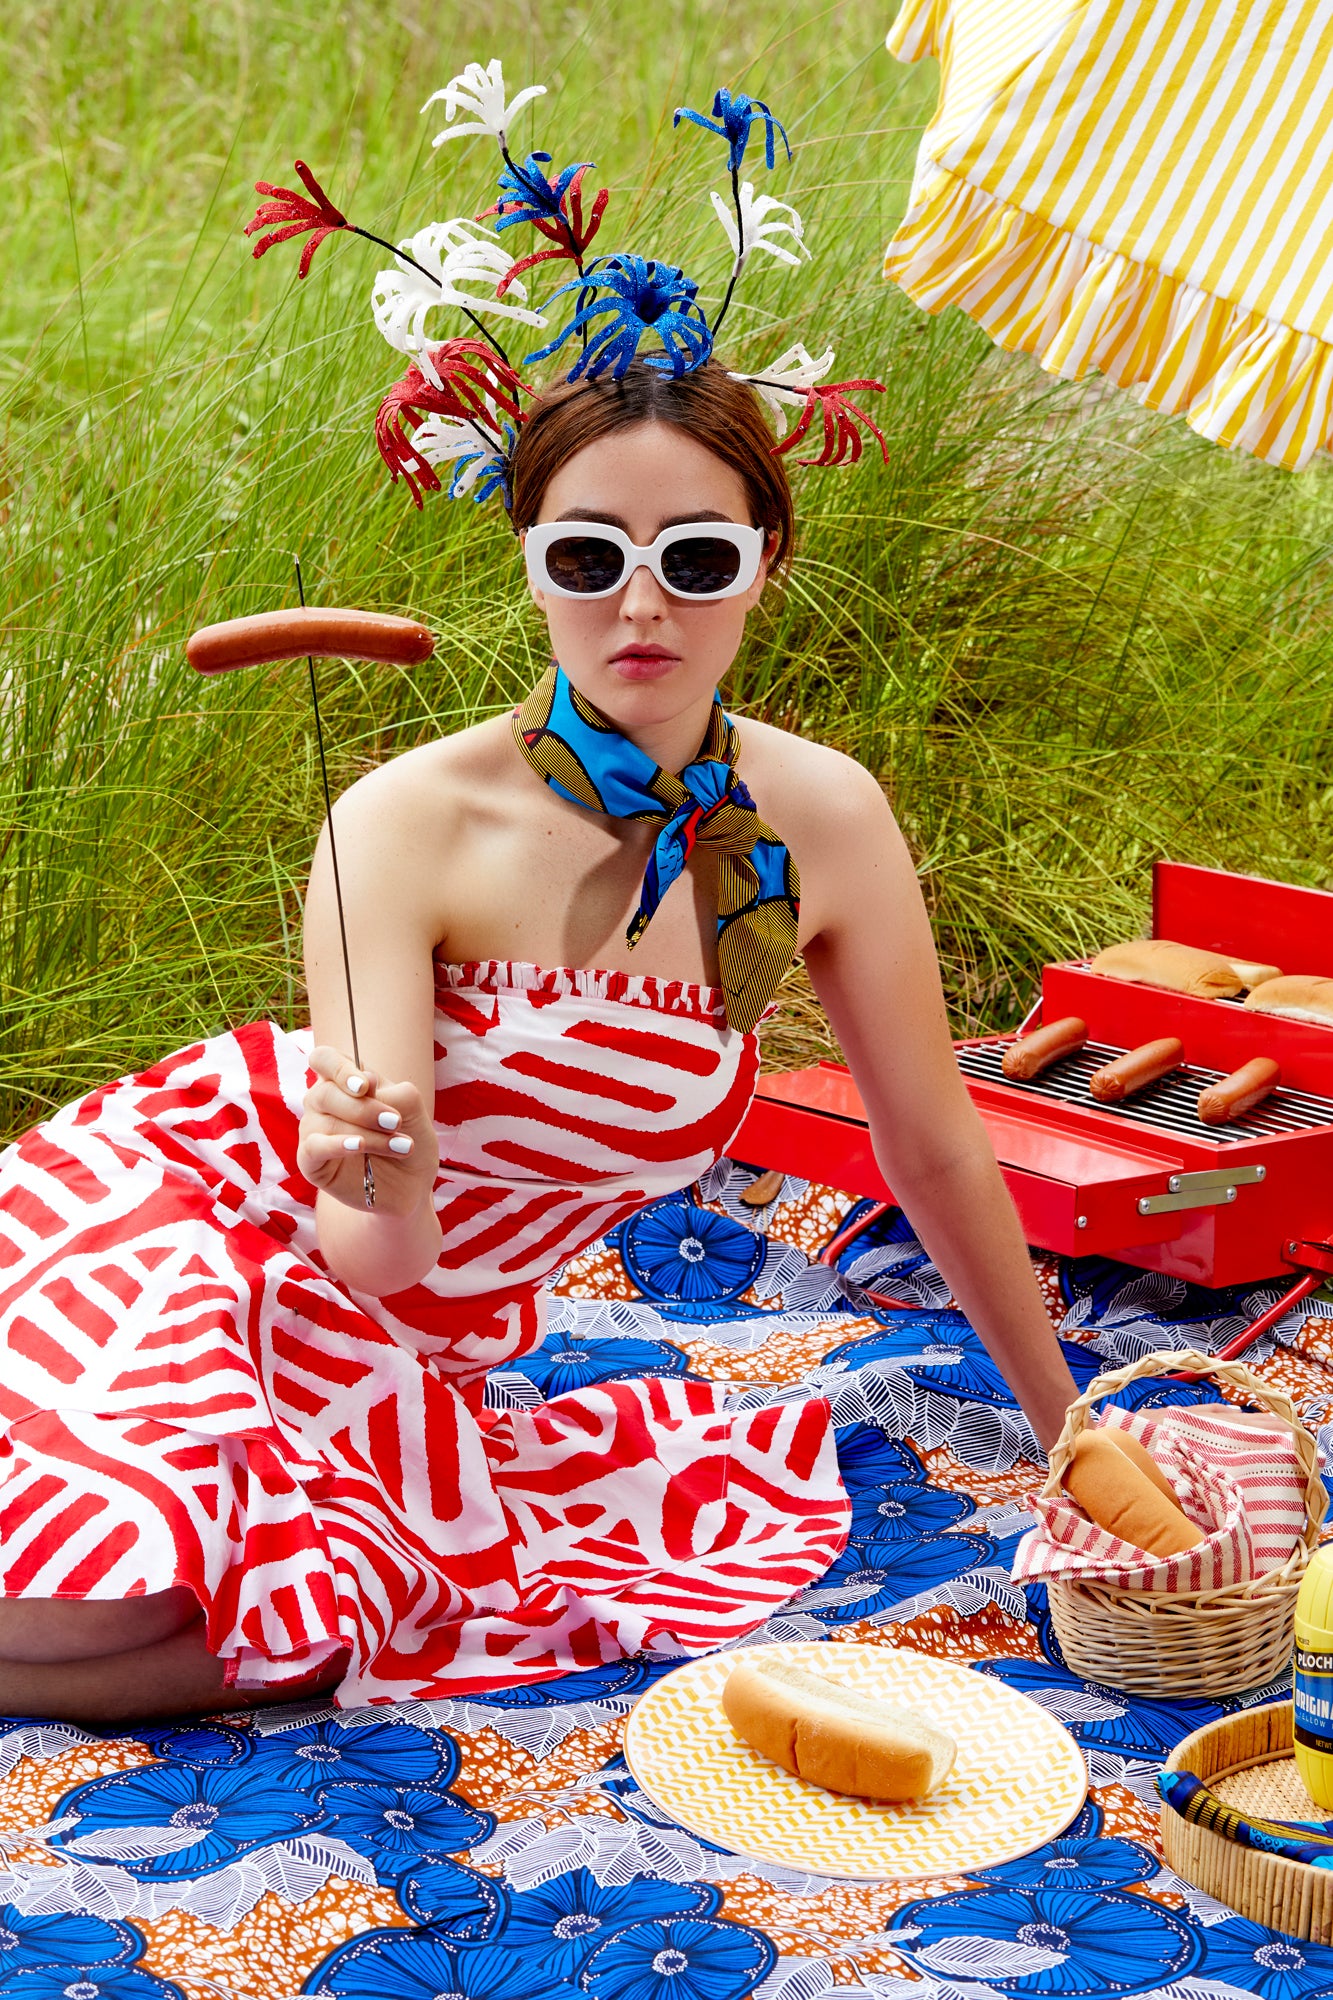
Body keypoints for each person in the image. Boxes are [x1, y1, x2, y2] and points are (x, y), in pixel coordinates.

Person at [0, 63, 1078, 1724]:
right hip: (197, 1212)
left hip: (406, 1358)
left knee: (272, 1637)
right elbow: (372, 1247)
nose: (639, 608)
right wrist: (360, 1154)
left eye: (694, 560)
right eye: (587, 558)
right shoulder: (404, 824)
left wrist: (1068, 1431)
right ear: (527, 559)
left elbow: (930, 1149)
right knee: (90, 1607)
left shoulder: (822, 822)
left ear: (766, 565)